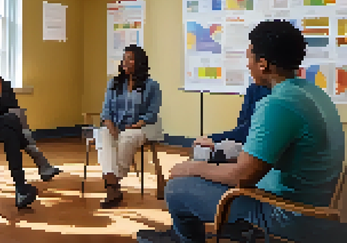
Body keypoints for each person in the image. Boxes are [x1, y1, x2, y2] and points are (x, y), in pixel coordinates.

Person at [137, 20, 347, 243]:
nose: (247, 64)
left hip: (291, 215)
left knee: (177, 188)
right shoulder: (314, 93)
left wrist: (193, 167)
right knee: (209, 169)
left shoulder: (278, 104)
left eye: (249, 57)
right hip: (318, 202)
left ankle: (184, 238)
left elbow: (242, 176)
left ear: (263, 64)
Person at [0, 49, 61, 181]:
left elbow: (13, 107)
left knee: (12, 126)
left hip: (3, 124)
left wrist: (3, 118)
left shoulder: (3, 85)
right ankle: (40, 164)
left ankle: (22, 183)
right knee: (13, 124)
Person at [97, 44, 162, 209]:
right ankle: (113, 186)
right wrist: (111, 127)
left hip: (141, 127)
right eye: (124, 58)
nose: (125, 62)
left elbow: (152, 114)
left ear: (139, 62)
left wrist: (136, 125)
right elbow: (106, 111)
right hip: (117, 125)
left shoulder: (152, 85)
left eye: (130, 58)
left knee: (126, 137)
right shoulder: (114, 83)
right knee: (102, 134)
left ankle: (112, 183)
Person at [192, 83, 271, 161]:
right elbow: (242, 124)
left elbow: (251, 129)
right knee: (202, 149)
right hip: (244, 140)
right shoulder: (254, 89)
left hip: (260, 145)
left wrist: (213, 139)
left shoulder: (274, 98)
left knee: (226, 149)